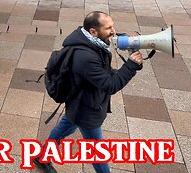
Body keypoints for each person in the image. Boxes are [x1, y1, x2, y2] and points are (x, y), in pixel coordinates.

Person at [33, 11, 143, 173]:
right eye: (109, 28)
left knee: (67, 126)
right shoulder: (85, 56)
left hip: (80, 103)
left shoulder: (93, 43)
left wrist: (130, 65)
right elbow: (110, 85)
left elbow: (103, 72)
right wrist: (130, 66)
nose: (114, 31)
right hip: (86, 109)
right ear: (93, 31)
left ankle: (42, 157)